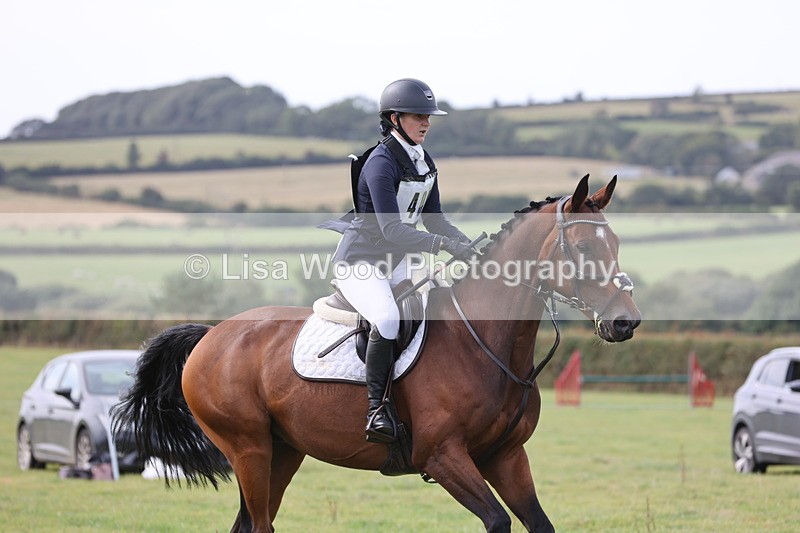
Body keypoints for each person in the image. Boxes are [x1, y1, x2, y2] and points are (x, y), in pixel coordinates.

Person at [325, 78, 476, 443]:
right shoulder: (380, 163)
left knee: (442, 306)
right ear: (394, 119)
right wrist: (442, 245)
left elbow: (435, 220)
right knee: (388, 318)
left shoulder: (423, 160)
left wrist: (468, 245)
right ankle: (376, 409)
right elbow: (391, 229)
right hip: (362, 262)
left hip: (398, 260)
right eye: (418, 116)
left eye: (428, 117)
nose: (426, 123)